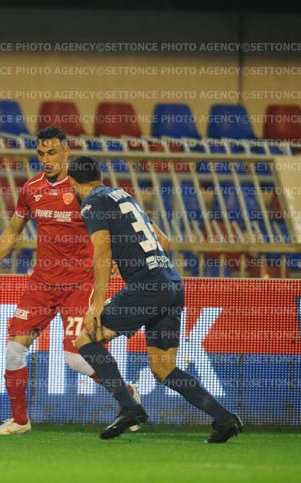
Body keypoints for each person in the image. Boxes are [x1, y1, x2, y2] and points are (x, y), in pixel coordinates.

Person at [0, 126, 139, 435]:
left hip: (80, 283)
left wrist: (117, 256)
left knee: (75, 358)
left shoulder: (83, 189)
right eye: (41, 154)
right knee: (13, 350)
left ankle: (126, 394)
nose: (46, 159)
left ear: (66, 152)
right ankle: (19, 421)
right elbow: (12, 231)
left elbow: (115, 225)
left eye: (52, 153)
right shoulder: (31, 189)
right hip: (42, 284)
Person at [67, 155, 242, 442]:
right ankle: (224, 419)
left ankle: (129, 407)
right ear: (99, 176)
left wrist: (97, 303)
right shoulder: (123, 195)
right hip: (172, 283)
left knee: (86, 339)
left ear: (73, 183)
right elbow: (165, 242)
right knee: (163, 368)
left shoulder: (92, 202)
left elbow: (102, 250)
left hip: (148, 286)